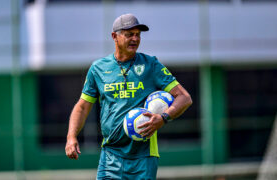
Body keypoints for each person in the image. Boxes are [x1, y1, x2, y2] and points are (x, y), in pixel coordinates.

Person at [65, 13, 192, 180]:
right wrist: (71, 137)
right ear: (114, 37)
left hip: (144, 156)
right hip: (111, 156)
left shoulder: (150, 65)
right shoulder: (98, 69)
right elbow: (82, 107)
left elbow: (184, 98)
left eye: (138, 35)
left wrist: (163, 117)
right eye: (129, 34)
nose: (135, 39)